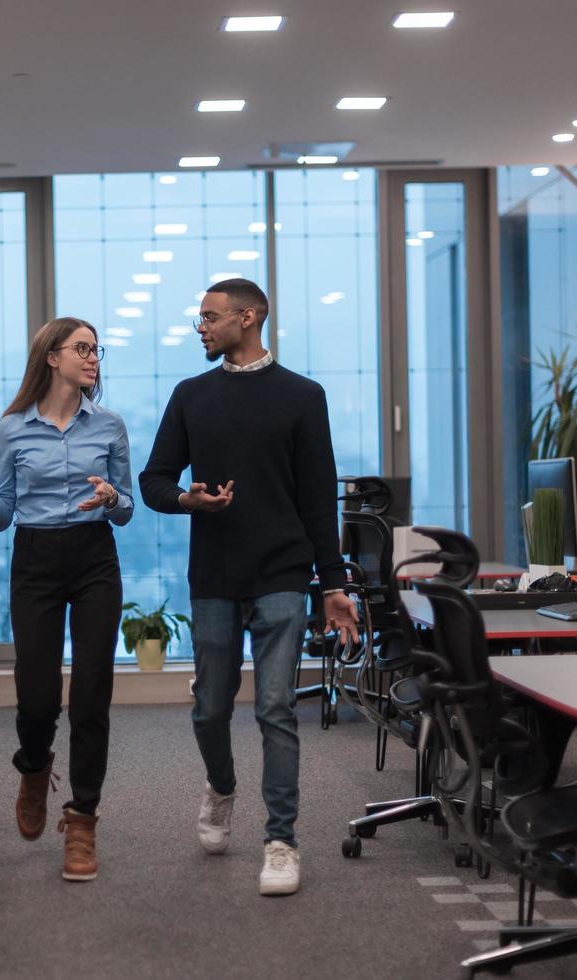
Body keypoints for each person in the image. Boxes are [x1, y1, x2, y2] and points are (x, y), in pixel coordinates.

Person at [138, 277, 359, 897]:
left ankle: (281, 841)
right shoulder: (191, 396)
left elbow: (318, 501)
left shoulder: (301, 397)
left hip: (283, 575)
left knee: (275, 707)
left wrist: (333, 585)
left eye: (209, 317)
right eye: (199, 318)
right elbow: (154, 480)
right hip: (213, 575)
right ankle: (222, 787)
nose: (200, 327)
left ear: (250, 316)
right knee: (210, 708)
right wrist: (190, 499)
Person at [0, 316, 132, 883]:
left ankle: (83, 819)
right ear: (52, 357)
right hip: (36, 561)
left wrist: (113, 495)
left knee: (92, 694)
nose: (94, 359)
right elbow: (0, 518)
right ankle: (35, 768)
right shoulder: (13, 428)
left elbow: (128, 508)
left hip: (95, 559)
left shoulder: (110, 426)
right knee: (37, 696)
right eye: (83, 349)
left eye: (97, 349)